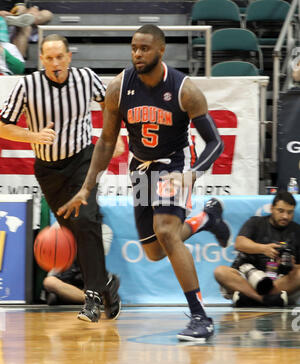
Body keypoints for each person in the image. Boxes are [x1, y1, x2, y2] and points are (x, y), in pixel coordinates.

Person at [57, 24, 230, 343]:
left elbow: (215, 143)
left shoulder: (184, 89)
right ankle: (205, 219)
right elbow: (107, 141)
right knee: (154, 251)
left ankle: (200, 317)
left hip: (176, 163)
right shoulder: (119, 87)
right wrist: (87, 186)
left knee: (165, 230)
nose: (137, 53)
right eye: (134, 47)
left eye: (145, 48)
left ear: (161, 50)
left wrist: (192, 174)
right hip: (140, 167)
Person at [0, 34, 121, 323]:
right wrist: (32, 135)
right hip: (48, 170)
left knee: (88, 220)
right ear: (41, 60)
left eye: (59, 57)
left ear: (69, 56)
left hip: (83, 161)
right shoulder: (28, 85)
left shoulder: (86, 78)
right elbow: (2, 125)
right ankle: (106, 285)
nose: (55, 63)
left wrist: (110, 136)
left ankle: (92, 299)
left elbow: (109, 105)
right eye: (48, 58)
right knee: (72, 233)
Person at [214, 191, 300, 307]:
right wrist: (264, 249)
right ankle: (263, 299)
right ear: (271, 208)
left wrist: (291, 265)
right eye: (281, 211)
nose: (285, 216)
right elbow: (239, 243)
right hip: (248, 277)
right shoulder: (256, 222)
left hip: (278, 281)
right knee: (220, 271)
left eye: (290, 212)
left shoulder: (296, 230)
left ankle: (249, 298)